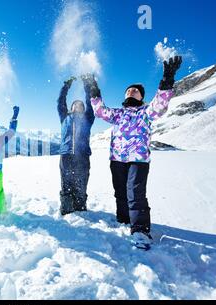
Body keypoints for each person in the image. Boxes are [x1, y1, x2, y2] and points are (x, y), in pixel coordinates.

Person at [87, 56, 182, 249]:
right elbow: (99, 111)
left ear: (141, 97)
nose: (132, 91)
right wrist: (94, 90)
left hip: (138, 160)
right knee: (120, 192)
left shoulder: (146, 112)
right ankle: (124, 219)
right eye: (129, 90)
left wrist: (167, 80)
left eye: (136, 90)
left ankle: (140, 230)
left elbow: (160, 104)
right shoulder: (118, 114)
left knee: (135, 193)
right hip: (117, 159)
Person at [57, 76, 95, 215]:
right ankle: (66, 209)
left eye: (81, 105)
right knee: (66, 182)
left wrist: (87, 84)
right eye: (75, 104)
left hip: (82, 155)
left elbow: (91, 103)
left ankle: (80, 208)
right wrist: (66, 86)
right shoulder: (65, 117)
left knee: (81, 181)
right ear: (71, 107)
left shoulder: (88, 118)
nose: (78, 105)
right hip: (66, 154)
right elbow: (60, 101)